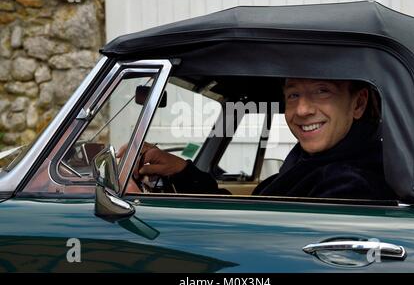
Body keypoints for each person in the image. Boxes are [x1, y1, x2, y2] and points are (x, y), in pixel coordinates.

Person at [118, 78, 397, 200]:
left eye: (322, 91)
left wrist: (137, 204)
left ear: (358, 103)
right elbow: (249, 215)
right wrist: (182, 170)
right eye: (293, 95)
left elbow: (255, 244)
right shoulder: (311, 163)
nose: (302, 110)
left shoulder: (351, 184)